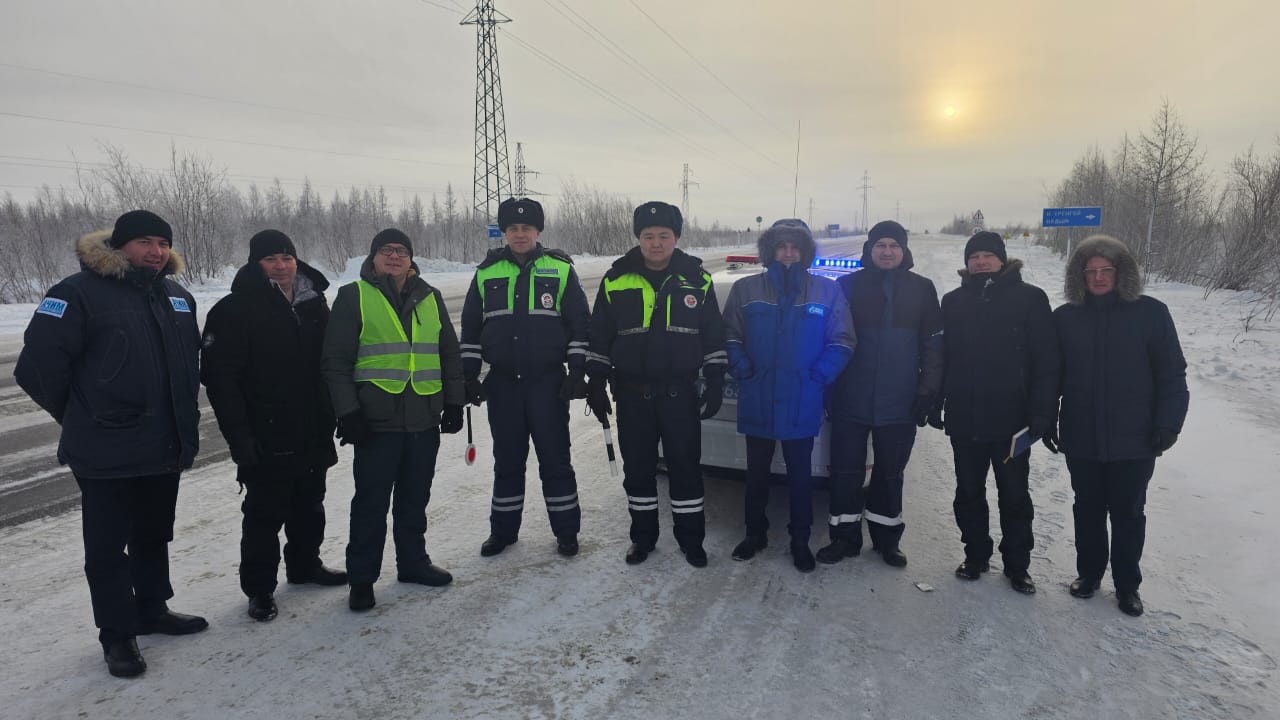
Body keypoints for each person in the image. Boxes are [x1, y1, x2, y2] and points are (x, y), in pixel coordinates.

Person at [15, 210, 207, 678]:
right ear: (120, 245)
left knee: (153, 534)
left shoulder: (177, 297)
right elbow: (36, 368)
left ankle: (152, 609)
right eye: (145, 241)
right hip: (105, 452)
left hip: (164, 445)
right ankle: (118, 635)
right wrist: (83, 415)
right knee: (106, 549)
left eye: (163, 243)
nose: (156, 252)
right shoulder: (75, 294)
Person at [201, 230, 347, 623]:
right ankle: (260, 589)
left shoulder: (313, 303)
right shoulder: (234, 310)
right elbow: (221, 380)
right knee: (264, 514)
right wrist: (240, 437)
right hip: (265, 431)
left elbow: (331, 362)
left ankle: (304, 565)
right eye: (271, 259)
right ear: (255, 264)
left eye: (287, 258)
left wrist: (335, 411)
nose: (281, 266)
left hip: (313, 425)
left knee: (309, 504)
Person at [321, 228, 465, 611]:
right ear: (373, 258)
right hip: (375, 421)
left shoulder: (430, 297)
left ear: (411, 258)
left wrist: (454, 402)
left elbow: (447, 353)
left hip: (423, 417)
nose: (395, 256)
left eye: (402, 250)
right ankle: (363, 579)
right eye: (387, 250)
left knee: (414, 499)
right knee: (370, 502)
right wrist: (348, 412)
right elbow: (335, 362)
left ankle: (413, 563)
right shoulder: (353, 297)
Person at [585, 201, 727, 567]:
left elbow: (713, 335)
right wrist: (596, 381)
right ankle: (643, 538)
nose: (656, 243)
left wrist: (714, 379)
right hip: (632, 395)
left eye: (664, 235)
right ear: (638, 238)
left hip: (680, 395)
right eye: (648, 236)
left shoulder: (698, 279)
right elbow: (599, 335)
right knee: (639, 470)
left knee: (684, 469)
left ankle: (691, 540)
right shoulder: (616, 279)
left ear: (676, 238)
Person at [1052, 234, 1188, 616]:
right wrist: (1046, 416)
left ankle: (1128, 585)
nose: (1097, 278)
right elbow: (1050, 375)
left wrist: (1169, 424)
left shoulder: (1151, 313)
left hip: (1136, 437)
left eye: (1105, 270)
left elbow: (1172, 374)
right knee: (1088, 508)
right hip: (1082, 435)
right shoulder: (1066, 318)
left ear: (1121, 272)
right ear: (1079, 275)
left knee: (1128, 512)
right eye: (1090, 271)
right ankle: (1089, 574)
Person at [460, 197, 590, 558]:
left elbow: (580, 322)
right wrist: (469, 376)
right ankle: (502, 532)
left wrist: (577, 370)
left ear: (538, 231)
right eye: (513, 228)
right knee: (508, 460)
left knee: (555, 460)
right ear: (505, 232)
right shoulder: (486, 272)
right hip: (503, 385)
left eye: (527, 228)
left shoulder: (561, 269)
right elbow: (470, 327)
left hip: (547, 383)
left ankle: (566, 532)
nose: (520, 234)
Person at [722, 219, 854, 572]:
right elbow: (730, 335)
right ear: (770, 250)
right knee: (757, 475)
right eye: (781, 246)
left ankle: (800, 540)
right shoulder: (746, 290)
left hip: (802, 398)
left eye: (795, 246)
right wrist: (742, 367)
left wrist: (818, 378)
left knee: (800, 477)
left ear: (806, 251)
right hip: (759, 396)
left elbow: (842, 341)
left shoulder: (827, 291)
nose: (789, 253)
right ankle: (755, 534)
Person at [935, 231, 1058, 594]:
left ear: (1003, 260)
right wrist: (937, 400)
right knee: (968, 491)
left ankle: (1017, 565)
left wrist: (1042, 412)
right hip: (965, 419)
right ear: (967, 262)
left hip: (1014, 424)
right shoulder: (953, 301)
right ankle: (975, 556)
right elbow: (945, 358)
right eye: (975, 256)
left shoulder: (1030, 299)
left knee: (1015, 494)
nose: (981, 262)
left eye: (989, 255)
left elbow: (1046, 361)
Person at [824, 220, 942, 568]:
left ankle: (886, 541)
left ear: (904, 250)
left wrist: (927, 392)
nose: (887, 251)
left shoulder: (922, 288)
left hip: (900, 400)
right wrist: (830, 388)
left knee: (890, 473)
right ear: (869, 250)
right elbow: (831, 339)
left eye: (893, 245)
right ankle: (843, 539)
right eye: (880, 245)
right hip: (851, 397)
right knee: (845, 472)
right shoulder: (847, 286)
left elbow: (934, 345)